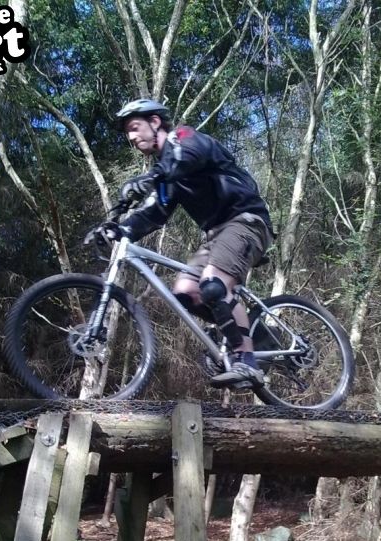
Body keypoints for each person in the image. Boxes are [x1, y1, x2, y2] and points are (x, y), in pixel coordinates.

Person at [113, 98, 274, 388]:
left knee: (212, 285)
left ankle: (246, 360)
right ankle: (248, 334)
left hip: (245, 219)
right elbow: (154, 214)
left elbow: (186, 157)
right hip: (216, 233)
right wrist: (118, 229)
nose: (132, 137)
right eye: (128, 133)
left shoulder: (185, 139)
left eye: (135, 128)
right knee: (186, 292)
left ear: (155, 122)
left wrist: (151, 177)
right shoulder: (166, 175)